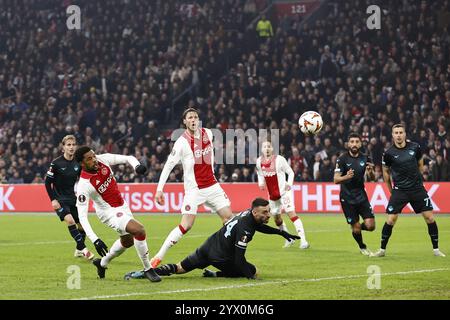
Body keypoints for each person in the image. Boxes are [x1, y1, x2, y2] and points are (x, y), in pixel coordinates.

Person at [125, 198, 300, 280]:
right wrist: (250, 277)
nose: (268, 215)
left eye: (268, 211)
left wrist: (281, 233)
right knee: (252, 269)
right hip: (220, 257)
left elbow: (259, 226)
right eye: (265, 212)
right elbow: (239, 258)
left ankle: (142, 273)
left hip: (208, 246)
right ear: (255, 212)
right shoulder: (246, 229)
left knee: (179, 268)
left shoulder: (248, 215)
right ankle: (216, 273)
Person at [151, 108, 234, 268]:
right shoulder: (181, 142)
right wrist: (159, 189)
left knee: (229, 220)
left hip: (213, 186)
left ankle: (226, 255)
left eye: (196, 117)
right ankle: (158, 256)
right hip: (194, 190)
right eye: (190, 117)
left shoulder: (209, 133)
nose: (194, 119)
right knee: (186, 225)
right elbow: (168, 166)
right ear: (185, 121)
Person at [74, 146, 161, 282]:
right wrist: (95, 239)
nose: (95, 160)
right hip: (108, 212)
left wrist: (137, 166)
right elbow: (82, 217)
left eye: (94, 155)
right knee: (139, 230)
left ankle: (102, 263)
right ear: (82, 163)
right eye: (90, 159)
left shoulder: (103, 160)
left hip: (122, 205)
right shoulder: (83, 185)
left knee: (128, 241)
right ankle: (148, 268)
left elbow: (128, 158)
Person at [371, 124, 446, 257]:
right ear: (393, 135)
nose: (399, 135)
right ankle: (382, 250)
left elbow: (420, 164)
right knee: (391, 219)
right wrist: (391, 191)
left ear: (405, 134)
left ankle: (436, 249)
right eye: (396, 133)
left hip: (417, 188)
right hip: (400, 191)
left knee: (429, 217)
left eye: (401, 132)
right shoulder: (388, 153)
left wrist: (418, 178)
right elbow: (386, 173)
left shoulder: (415, 147)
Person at [45, 135, 94, 260]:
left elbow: (83, 179)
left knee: (82, 226)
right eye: (68, 145)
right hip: (60, 199)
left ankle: (78, 250)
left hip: (73, 198)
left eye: (73, 144)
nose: (71, 147)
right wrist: (53, 200)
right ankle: (84, 249)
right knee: (70, 221)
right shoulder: (56, 163)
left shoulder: (78, 163)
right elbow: (47, 183)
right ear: (63, 148)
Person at [255, 141, 309, 249]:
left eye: (269, 146)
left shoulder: (279, 160)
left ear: (272, 148)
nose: (267, 149)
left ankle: (303, 240)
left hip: (284, 193)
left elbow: (291, 172)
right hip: (272, 196)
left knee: (292, 215)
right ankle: (289, 239)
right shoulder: (259, 161)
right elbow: (260, 174)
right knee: (277, 220)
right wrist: (260, 183)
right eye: (264, 147)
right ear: (261, 149)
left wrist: (289, 184)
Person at [334, 133, 376, 256]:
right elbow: (336, 179)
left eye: (356, 141)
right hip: (347, 199)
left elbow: (372, 178)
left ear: (360, 143)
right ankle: (362, 246)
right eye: (352, 141)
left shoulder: (366, 158)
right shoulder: (342, 159)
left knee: (371, 226)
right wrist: (346, 176)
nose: (354, 144)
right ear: (348, 144)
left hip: (361, 196)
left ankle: (355, 227)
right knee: (356, 228)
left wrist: (371, 172)